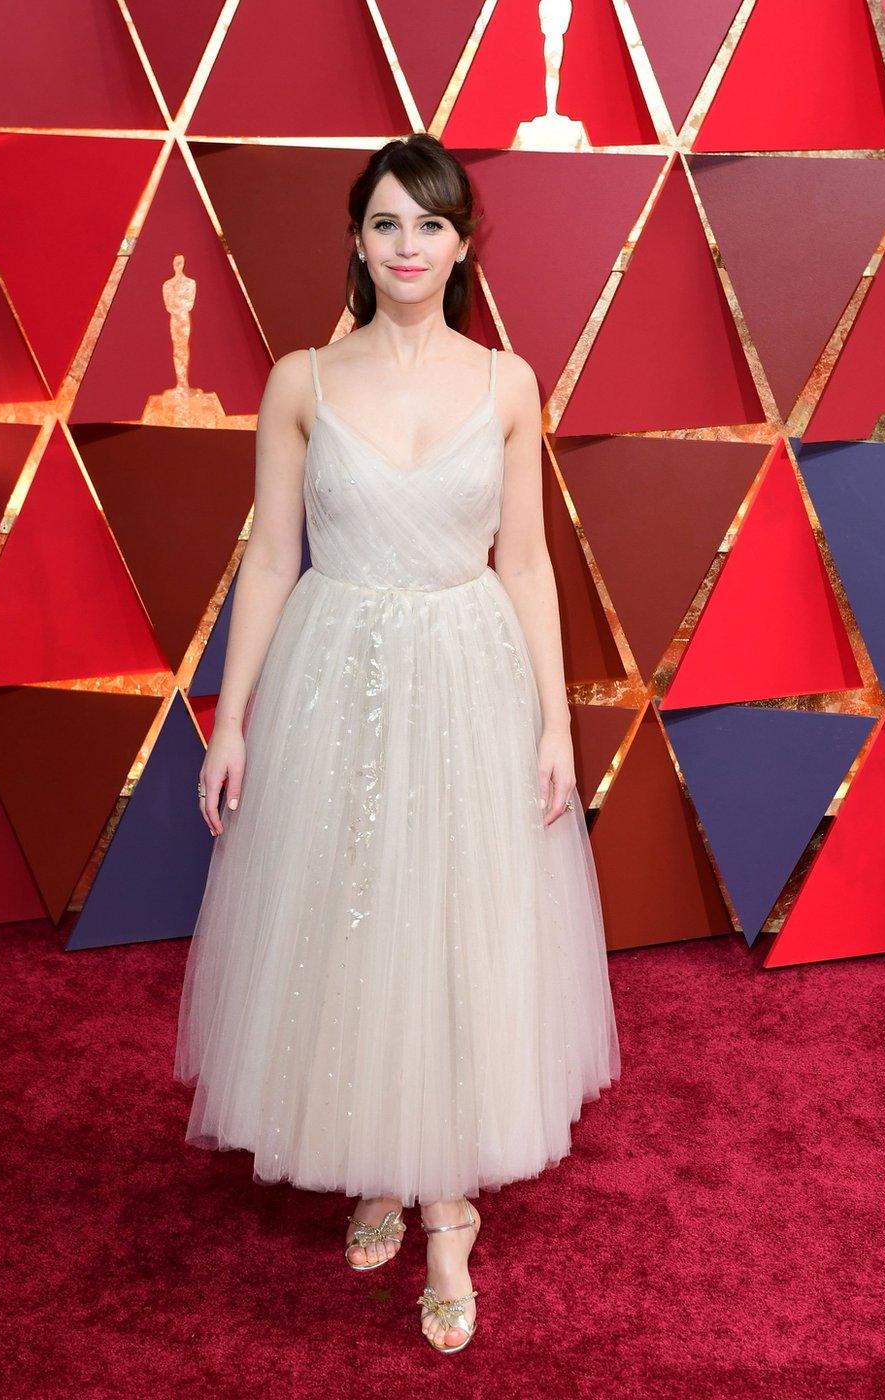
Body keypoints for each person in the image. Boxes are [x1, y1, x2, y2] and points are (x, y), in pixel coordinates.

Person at [174, 133, 621, 1355]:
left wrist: (552, 723)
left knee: (450, 920)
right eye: (385, 224)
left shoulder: (510, 381)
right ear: (357, 243)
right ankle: (379, 1157)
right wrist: (233, 717)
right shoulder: (300, 380)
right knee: (351, 915)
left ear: (463, 243)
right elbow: (271, 557)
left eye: (429, 225)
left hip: (468, 673)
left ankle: (446, 1212)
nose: (407, 246)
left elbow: (524, 561)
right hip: (338, 675)